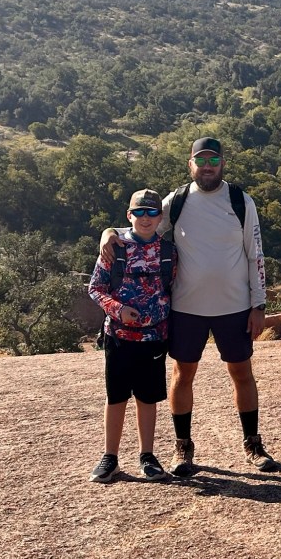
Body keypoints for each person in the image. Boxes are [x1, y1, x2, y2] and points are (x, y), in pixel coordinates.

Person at [99, 137, 274, 476]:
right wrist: (109, 232)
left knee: (242, 373)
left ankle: (253, 445)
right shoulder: (177, 201)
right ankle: (183, 448)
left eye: (213, 160)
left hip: (234, 306)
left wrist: (258, 304)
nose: (207, 166)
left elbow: (256, 254)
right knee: (183, 374)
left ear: (222, 163)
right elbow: (143, 226)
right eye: (201, 160)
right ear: (190, 164)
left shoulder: (241, 201)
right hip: (186, 308)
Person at [87, 189, 176, 483]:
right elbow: (95, 288)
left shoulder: (168, 252)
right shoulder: (115, 248)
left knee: (147, 398)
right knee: (116, 397)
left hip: (154, 339)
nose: (145, 218)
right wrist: (118, 309)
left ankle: (147, 456)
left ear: (160, 217)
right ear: (129, 215)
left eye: (152, 213)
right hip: (118, 336)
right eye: (139, 212)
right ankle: (110, 457)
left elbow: (175, 289)